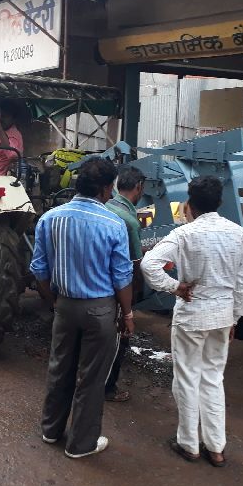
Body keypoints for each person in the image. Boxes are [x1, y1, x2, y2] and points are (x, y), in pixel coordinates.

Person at [140, 176, 243, 468]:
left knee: (188, 378)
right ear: (220, 203)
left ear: (189, 204)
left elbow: (148, 264)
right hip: (223, 316)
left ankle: (188, 444)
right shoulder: (240, 234)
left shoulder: (185, 234)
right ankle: (216, 448)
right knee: (213, 378)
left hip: (192, 315)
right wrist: (235, 318)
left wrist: (174, 286)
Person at [30, 157, 134, 459]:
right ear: (104, 188)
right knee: (91, 378)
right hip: (99, 310)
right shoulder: (114, 223)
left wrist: (54, 303)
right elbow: (122, 276)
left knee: (59, 368)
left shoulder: (49, 219)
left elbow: (39, 271)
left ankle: (50, 431)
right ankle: (80, 444)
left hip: (64, 306)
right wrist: (127, 313)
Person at [104, 166, 145, 402]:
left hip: (99, 286)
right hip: (119, 289)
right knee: (118, 339)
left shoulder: (106, 207)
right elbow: (135, 264)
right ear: (138, 187)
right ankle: (108, 387)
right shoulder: (130, 221)